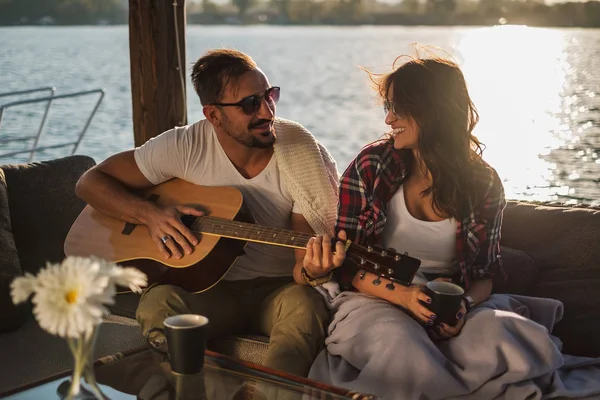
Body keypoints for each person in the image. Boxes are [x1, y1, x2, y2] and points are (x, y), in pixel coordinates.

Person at [307, 55, 600, 399]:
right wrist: (405, 296)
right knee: (400, 344)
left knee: (506, 335)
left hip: (449, 303)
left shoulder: (483, 182)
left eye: (398, 108)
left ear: (432, 110)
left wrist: (463, 307)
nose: (388, 118)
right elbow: (350, 263)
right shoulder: (371, 166)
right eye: (388, 106)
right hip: (376, 297)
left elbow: (484, 275)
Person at [75, 49, 347, 378]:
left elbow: (300, 268)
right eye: (250, 104)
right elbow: (90, 182)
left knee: (306, 307)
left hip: (278, 289)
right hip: (205, 289)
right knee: (158, 304)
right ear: (214, 115)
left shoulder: (302, 156)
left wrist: (314, 270)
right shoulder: (185, 147)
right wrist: (149, 214)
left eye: (270, 96)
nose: (267, 111)